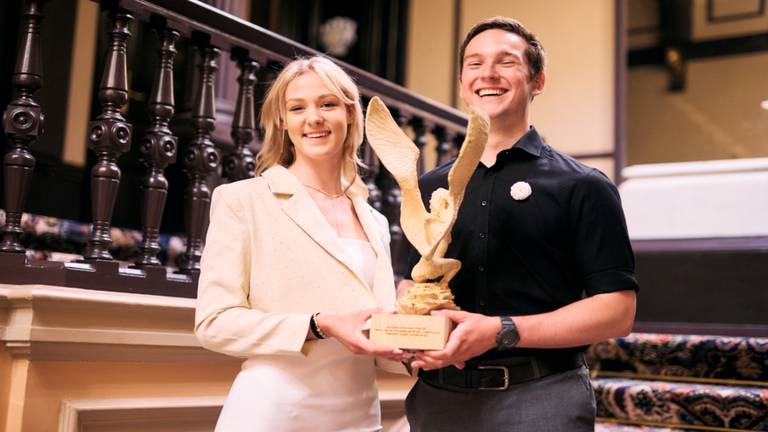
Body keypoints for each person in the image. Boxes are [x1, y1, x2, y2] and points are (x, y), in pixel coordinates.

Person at [400, 17, 639, 431]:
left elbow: (617, 311)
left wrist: (501, 331)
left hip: (541, 397)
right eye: (474, 64)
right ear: (462, 83)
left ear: (537, 81)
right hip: (439, 398)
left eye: (505, 62)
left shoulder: (582, 185)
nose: (487, 74)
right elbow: (408, 285)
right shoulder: (429, 186)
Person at [195, 56, 406, 432]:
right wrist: (318, 325)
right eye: (297, 108)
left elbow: (385, 347)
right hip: (273, 413)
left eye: (327, 104)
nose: (314, 118)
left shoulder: (375, 220)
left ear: (351, 114)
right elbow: (214, 323)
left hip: (359, 417)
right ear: (283, 121)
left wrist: (423, 336)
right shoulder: (243, 200)